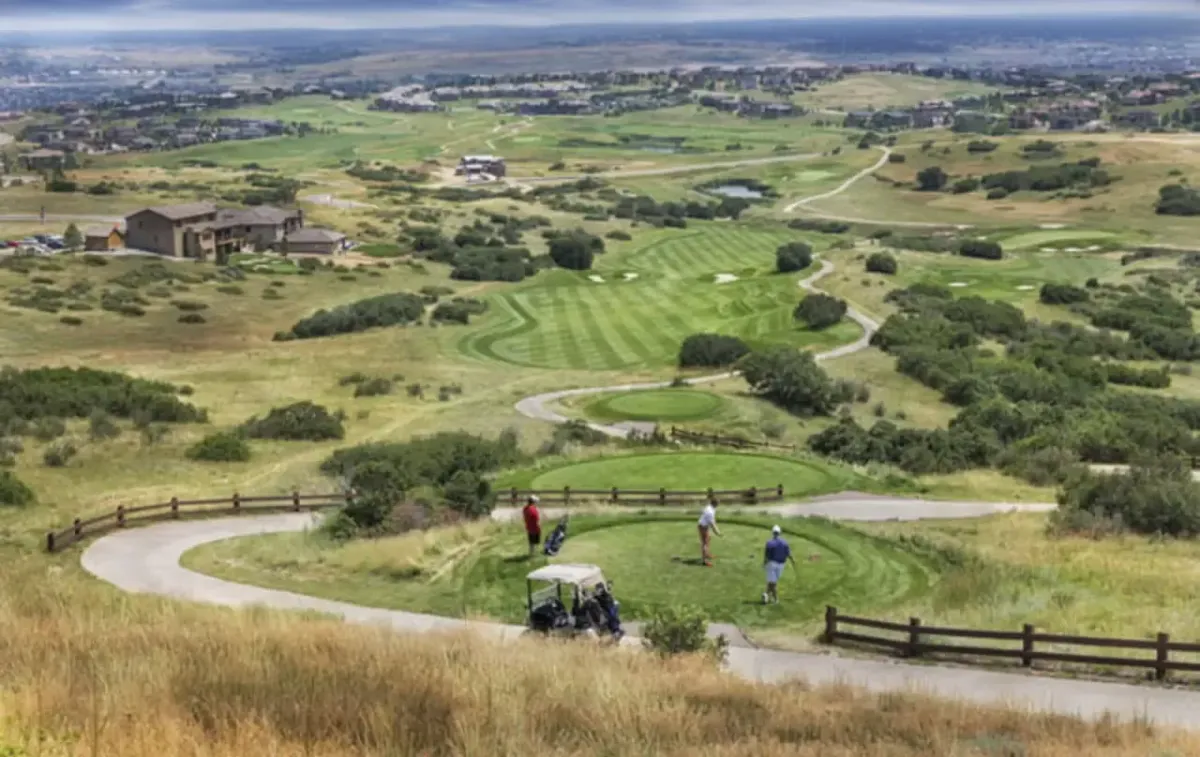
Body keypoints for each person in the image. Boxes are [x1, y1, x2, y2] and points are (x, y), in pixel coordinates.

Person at [762, 525, 797, 604]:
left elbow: (766, 556)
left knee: (772, 583)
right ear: (780, 533)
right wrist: (793, 561)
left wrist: (764, 564)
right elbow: (788, 554)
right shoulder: (784, 543)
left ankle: (773, 598)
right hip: (781, 565)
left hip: (772, 564)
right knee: (773, 582)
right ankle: (767, 595)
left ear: (773, 533)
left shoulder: (769, 543)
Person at [697, 498, 721, 566]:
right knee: (705, 543)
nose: (718, 505)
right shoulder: (709, 511)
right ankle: (704, 561)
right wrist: (717, 532)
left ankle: (707, 554)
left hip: (704, 525)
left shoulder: (710, 507)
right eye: (718, 504)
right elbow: (712, 524)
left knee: (708, 538)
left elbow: (712, 520)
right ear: (715, 504)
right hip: (703, 526)